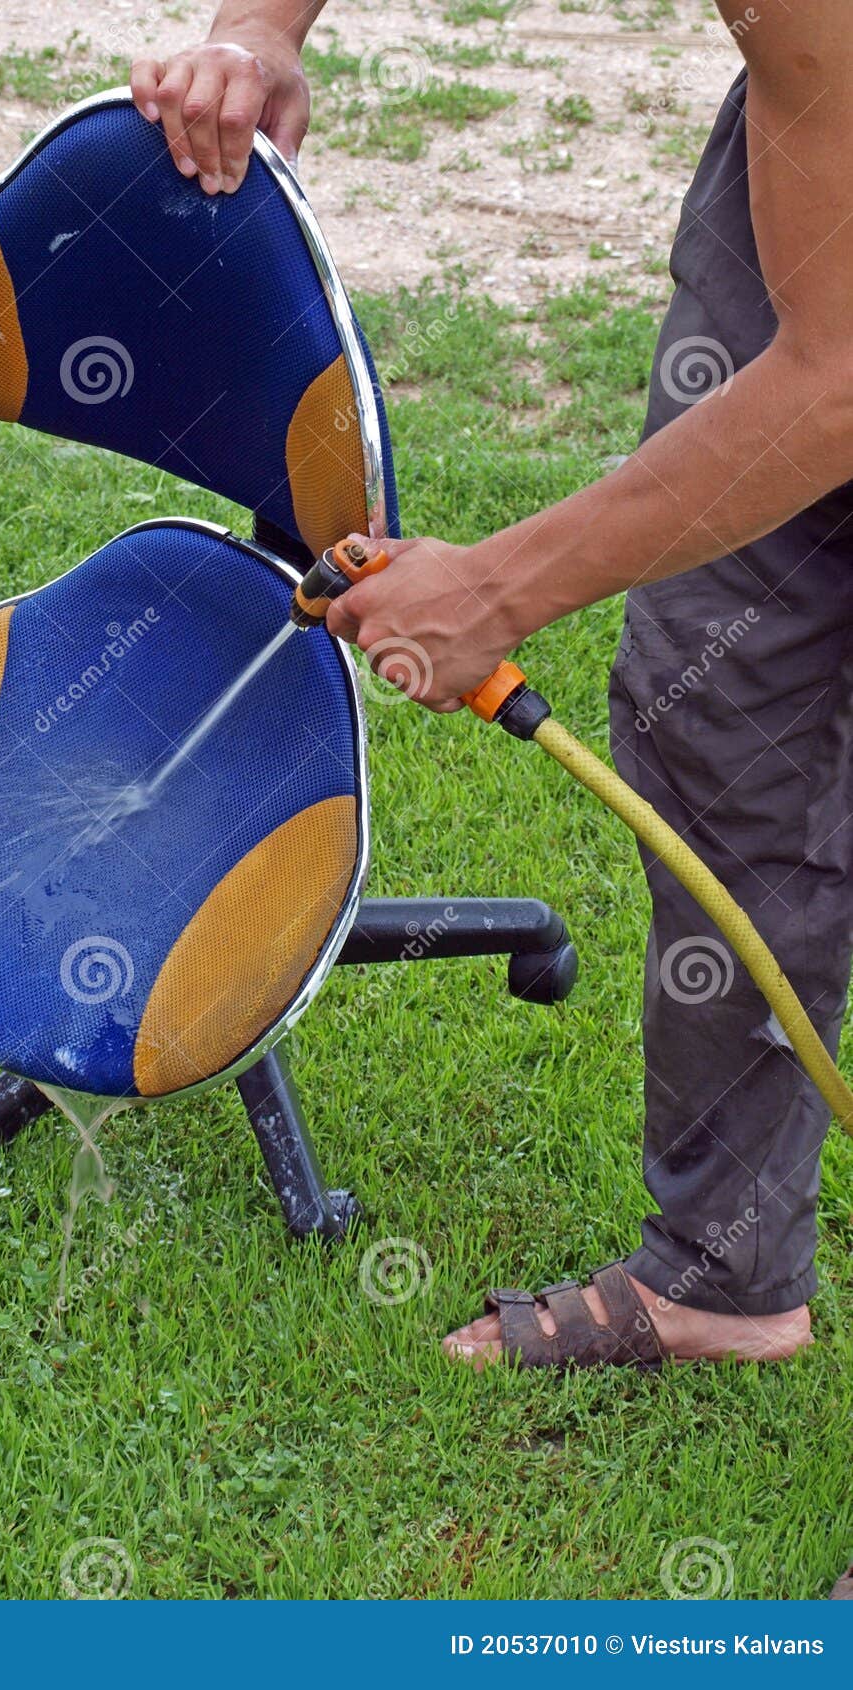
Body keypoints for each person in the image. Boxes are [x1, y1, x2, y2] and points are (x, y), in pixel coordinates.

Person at [132, 2, 853, 1374]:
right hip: (817, 143)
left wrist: (497, 592)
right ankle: (723, 1270)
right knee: (721, 703)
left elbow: (837, 386)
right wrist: (261, 28)